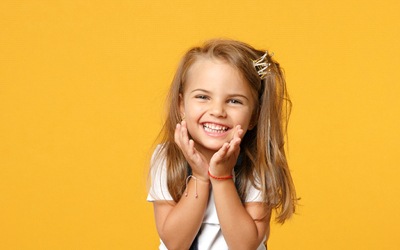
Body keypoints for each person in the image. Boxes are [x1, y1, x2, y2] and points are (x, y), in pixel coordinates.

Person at [147, 38, 297, 250]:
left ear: (254, 116)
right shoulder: (166, 156)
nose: (217, 111)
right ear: (182, 105)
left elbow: (245, 246)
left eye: (234, 101)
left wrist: (222, 178)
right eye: (202, 97)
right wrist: (200, 176)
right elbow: (175, 243)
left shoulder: (258, 163)